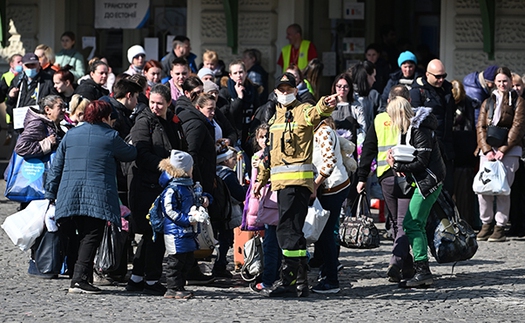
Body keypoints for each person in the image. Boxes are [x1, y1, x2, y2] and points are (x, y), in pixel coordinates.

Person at [252, 73, 337, 297]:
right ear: (276, 92)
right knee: (294, 233)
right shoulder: (274, 119)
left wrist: (325, 104)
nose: (285, 93)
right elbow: (269, 155)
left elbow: (316, 113)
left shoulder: (302, 110)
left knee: (286, 232)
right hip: (281, 185)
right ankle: (300, 283)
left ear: (295, 91)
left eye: (289, 89)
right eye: (282, 89)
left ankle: (290, 283)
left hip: (296, 183)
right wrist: (260, 181)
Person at [45, 100, 136, 294]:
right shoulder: (110, 136)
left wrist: (51, 193)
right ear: (104, 117)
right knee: (91, 236)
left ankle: (81, 277)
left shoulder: (71, 134)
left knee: (80, 236)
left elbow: (57, 167)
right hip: (97, 195)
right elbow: (130, 154)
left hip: (70, 193)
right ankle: (78, 280)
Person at [126, 84, 187, 295]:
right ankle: (151, 280)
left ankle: (136, 278)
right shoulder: (144, 122)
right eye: (152, 102)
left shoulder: (172, 121)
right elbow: (141, 153)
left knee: (152, 233)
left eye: (159, 103)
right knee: (155, 233)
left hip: (163, 185)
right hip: (146, 184)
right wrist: (165, 166)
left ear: (169, 103)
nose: (155, 107)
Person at [386, 96, 445, 288]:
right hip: (424, 180)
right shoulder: (412, 128)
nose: (392, 122)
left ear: (400, 114)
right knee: (415, 223)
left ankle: (423, 271)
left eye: (393, 117)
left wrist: (397, 164)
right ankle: (422, 270)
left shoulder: (420, 129)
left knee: (412, 224)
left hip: (429, 181)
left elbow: (421, 162)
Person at [356, 85, 414, 283]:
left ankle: (406, 267)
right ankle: (397, 262)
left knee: (398, 223)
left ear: (388, 101)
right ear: (408, 101)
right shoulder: (411, 119)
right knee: (403, 223)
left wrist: (362, 177)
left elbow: (368, 149)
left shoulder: (380, 119)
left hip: (385, 177)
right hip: (407, 176)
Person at [14, 95, 65, 278]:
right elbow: (22, 147)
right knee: (39, 223)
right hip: (36, 182)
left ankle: (44, 262)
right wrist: (47, 144)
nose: (64, 108)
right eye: (60, 106)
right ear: (48, 110)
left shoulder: (53, 123)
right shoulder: (38, 124)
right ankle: (39, 263)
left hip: (44, 181)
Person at [474, 67, 525, 243]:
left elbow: (517, 127)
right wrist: (487, 150)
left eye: (505, 81)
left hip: (509, 151)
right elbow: (480, 126)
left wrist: (503, 149)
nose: (502, 84)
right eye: (499, 81)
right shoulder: (488, 101)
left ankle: (500, 226)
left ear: (511, 82)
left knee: (503, 190)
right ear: (494, 83)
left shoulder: (518, 102)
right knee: (484, 189)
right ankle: (486, 224)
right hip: (487, 151)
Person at [151, 150, 209, 299]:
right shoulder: (172, 189)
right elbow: (169, 210)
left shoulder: (188, 186)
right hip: (175, 231)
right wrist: (186, 219)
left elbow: (194, 200)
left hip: (188, 230)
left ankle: (180, 286)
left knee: (187, 260)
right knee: (175, 262)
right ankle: (172, 288)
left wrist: (203, 201)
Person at [310, 116, 352, 293]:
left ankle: (331, 279)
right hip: (331, 186)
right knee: (324, 233)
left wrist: (315, 185)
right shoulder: (319, 131)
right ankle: (326, 268)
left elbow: (329, 162)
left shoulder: (323, 131)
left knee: (326, 234)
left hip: (333, 186)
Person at [409, 59, 456, 194]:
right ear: (427, 74)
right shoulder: (417, 92)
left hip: (446, 148)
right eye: (437, 76)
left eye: (444, 76)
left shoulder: (447, 90)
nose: (441, 80)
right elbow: (414, 124)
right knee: (430, 191)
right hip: (428, 150)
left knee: (447, 190)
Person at [248, 124, 281, 293]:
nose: (264, 140)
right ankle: (275, 276)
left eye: (267, 137)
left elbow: (257, 185)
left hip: (271, 202)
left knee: (271, 243)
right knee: (275, 241)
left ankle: (269, 279)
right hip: (267, 203)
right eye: (261, 137)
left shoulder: (263, 157)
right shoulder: (257, 157)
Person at [450, 80, 479, 229]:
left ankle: (465, 222)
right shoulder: (449, 102)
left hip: (464, 152)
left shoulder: (468, 104)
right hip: (456, 150)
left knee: (465, 193)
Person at [214, 145, 247, 278]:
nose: (235, 162)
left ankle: (219, 264)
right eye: (233, 159)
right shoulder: (228, 174)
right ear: (226, 161)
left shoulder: (214, 172)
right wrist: (246, 190)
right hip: (226, 213)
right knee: (225, 240)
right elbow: (238, 195)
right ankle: (220, 265)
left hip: (217, 211)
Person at [219, 59, 261, 155]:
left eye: (241, 72)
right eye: (235, 73)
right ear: (230, 75)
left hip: (249, 133)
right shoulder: (225, 92)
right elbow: (229, 114)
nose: (239, 75)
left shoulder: (252, 90)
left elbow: (258, 110)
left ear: (246, 73)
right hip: (234, 134)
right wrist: (239, 98)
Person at [6, 53, 58, 128]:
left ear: (39, 65)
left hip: (40, 126)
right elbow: (10, 108)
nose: (30, 68)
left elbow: (53, 102)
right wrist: (11, 98)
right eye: (27, 66)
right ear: (23, 66)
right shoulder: (17, 80)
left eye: (33, 65)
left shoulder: (48, 80)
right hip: (20, 126)